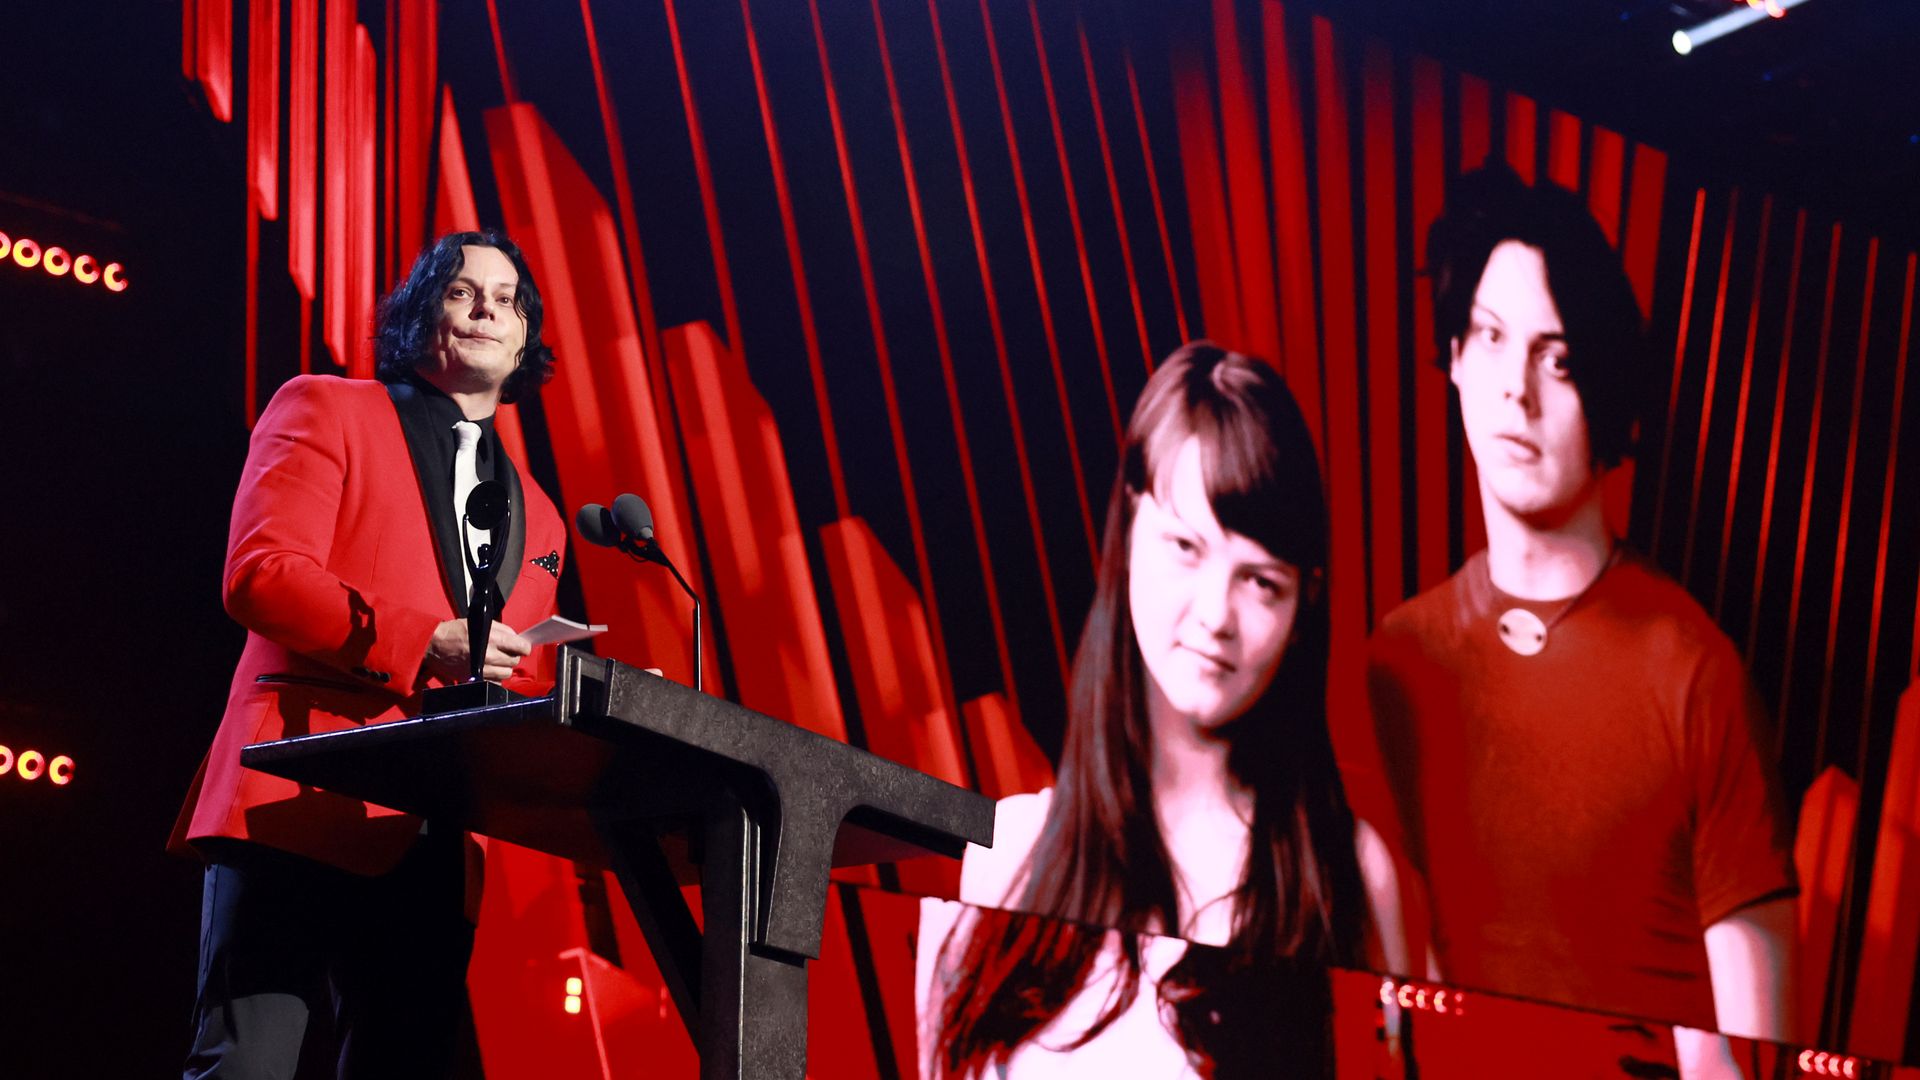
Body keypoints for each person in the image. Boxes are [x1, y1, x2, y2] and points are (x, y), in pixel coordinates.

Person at [1365, 165, 1798, 1042]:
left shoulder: (1694, 675)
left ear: (1606, 395)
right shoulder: (1394, 660)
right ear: (1455, 358)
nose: (1516, 391)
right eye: (1491, 338)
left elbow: (1760, 1051)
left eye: (1556, 359)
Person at [919, 343, 1407, 1079]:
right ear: (1128, 530)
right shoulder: (1001, 855)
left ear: (1301, 607)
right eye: (1185, 545)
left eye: (1261, 582)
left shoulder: (1351, 877)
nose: (1216, 614)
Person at [169, 230, 569, 1076]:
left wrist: (580, 696)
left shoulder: (543, 516)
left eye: (507, 300)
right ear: (422, 316)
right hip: (296, 790)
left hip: (432, 833)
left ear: (524, 340)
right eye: (462, 292)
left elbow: (510, 672)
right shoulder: (326, 407)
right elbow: (261, 576)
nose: (487, 309)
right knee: (247, 1066)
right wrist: (424, 641)